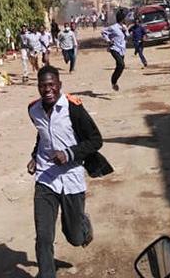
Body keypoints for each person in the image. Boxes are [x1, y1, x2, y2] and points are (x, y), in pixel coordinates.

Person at [27, 66, 112, 278]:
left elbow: (96, 140)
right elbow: (43, 135)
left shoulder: (73, 108)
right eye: (43, 86)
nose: (47, 90)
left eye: (51, 85)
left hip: (71, 178)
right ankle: (47, 273)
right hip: (46, 178)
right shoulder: (33, 110)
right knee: (44, 236)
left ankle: (83, 225)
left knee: (75, 237)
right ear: (38, 87)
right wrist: (34, 155)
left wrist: (69, 153)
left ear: (59, 85)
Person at [101, 9, 127, 91]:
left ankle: (114, 82)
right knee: (121, 64)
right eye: (124, 18)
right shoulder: (113, 27)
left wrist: (125, 31)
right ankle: (113, 82)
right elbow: (103, 32)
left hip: (122, 49)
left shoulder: (124, 27)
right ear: (122, 19)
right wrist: (108, 40)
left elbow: (127, 36)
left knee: (120, 67)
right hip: (114, 48)